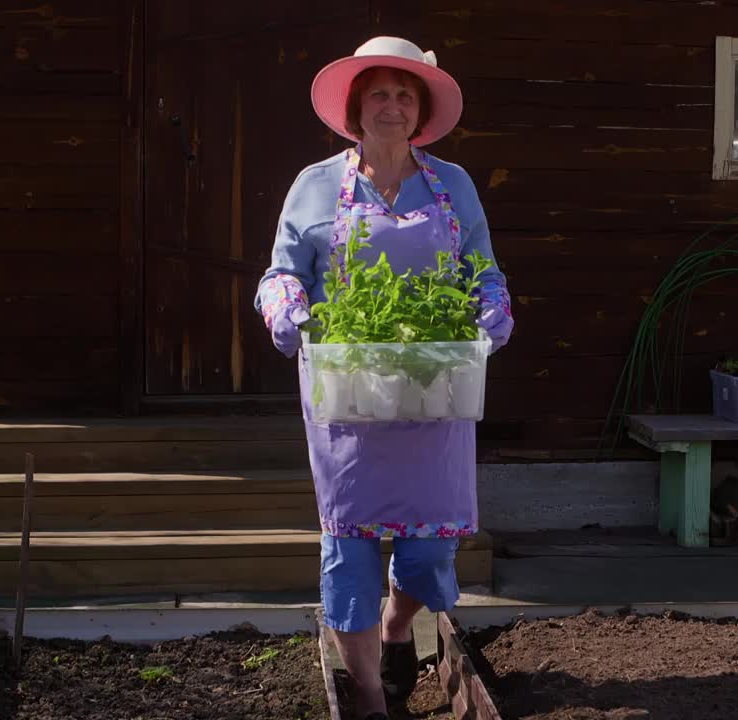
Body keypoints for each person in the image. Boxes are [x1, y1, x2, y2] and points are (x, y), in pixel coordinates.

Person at [253, 36, 513, 720]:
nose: (392, 106)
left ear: (420, 110)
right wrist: (292, 314)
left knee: (429, 554)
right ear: (355, 109)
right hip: (349, 396)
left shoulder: (450, 184)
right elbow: (280, 273)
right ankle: (368, 694)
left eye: (404, 94)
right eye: (379, 94)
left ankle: (400, 625)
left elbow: (481, 267)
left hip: (435, 388)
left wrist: (492, 309)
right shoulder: (315, 184)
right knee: (350, 554)